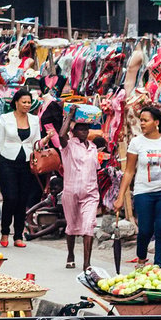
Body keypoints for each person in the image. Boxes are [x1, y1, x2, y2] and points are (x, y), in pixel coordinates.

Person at [117, 104, 161, 267]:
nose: (142, 123)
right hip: (143, 192)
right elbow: (129, 172)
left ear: (156, 122)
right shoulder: (137, 143)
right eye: (141, 120)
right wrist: (120, 197)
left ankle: (159, 265)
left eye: (145, 120)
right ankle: (141, 258)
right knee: (144, 230)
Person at [0, 92, 41, 249]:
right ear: (16, 103)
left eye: (29, 102)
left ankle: (18, 235)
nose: (27, 105)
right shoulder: (5, 119)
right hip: (7, 161)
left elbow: (37, 144)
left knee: (22, 200)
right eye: (24, 102)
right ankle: (5, 231)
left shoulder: (34, 120)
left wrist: (45, 141)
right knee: (11, 198)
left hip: (27, 163)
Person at [59, 114, 101, 270]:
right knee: (72, 225)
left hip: (90, 191)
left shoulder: (93, 147)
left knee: (88, 225)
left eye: (86, 129)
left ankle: (87, 263)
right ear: (74, 131)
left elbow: (95, 169)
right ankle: (70, 254)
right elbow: (61, 135)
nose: (84, 132)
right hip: (71, 191)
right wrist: (70, 115)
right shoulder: (68, 145)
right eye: (80, 129)